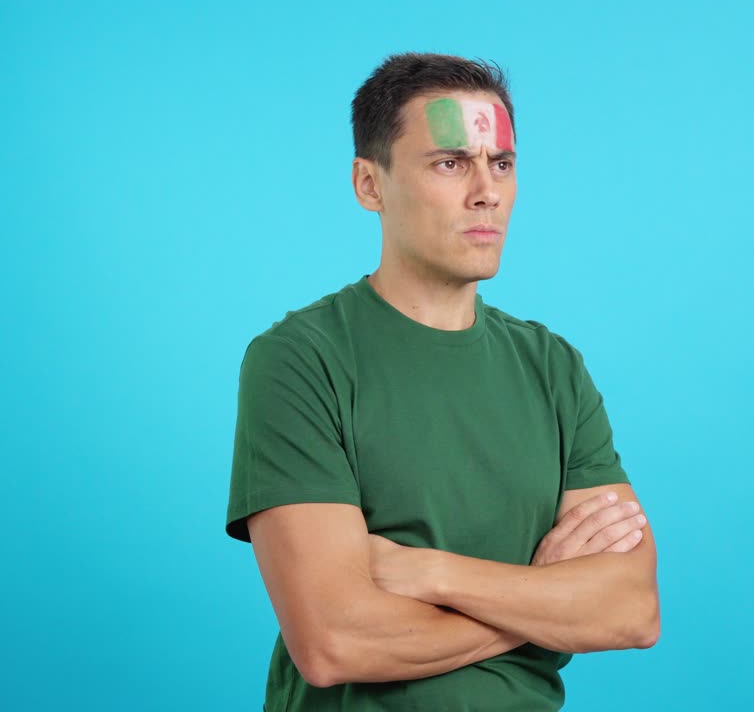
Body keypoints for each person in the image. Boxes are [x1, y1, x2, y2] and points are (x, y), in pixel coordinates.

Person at [225, 52, 660, 711]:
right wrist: (541, 595)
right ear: (370, 185)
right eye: (450, 163)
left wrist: (430, 573)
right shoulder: (300, 360)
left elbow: (630, 609)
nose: (485, 190)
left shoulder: (552, 367)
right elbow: (334, 641)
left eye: (502, 165)